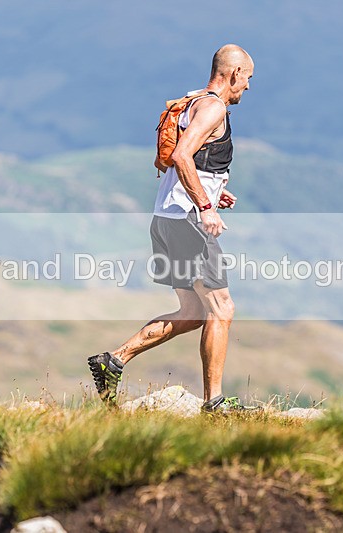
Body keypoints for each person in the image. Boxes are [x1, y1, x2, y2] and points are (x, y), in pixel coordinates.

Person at [88, 44, 255, 413]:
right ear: (234, 74)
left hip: (166, 218)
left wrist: (214, 187)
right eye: (247, 79)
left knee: (193, 313)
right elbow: (180, 155)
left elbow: (189, 159)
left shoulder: (193, 103)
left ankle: (112, 361)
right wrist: (206, 205)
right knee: (221, 308)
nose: (247, 88)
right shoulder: (212, 107)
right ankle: (215, 403)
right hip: (188, 223)